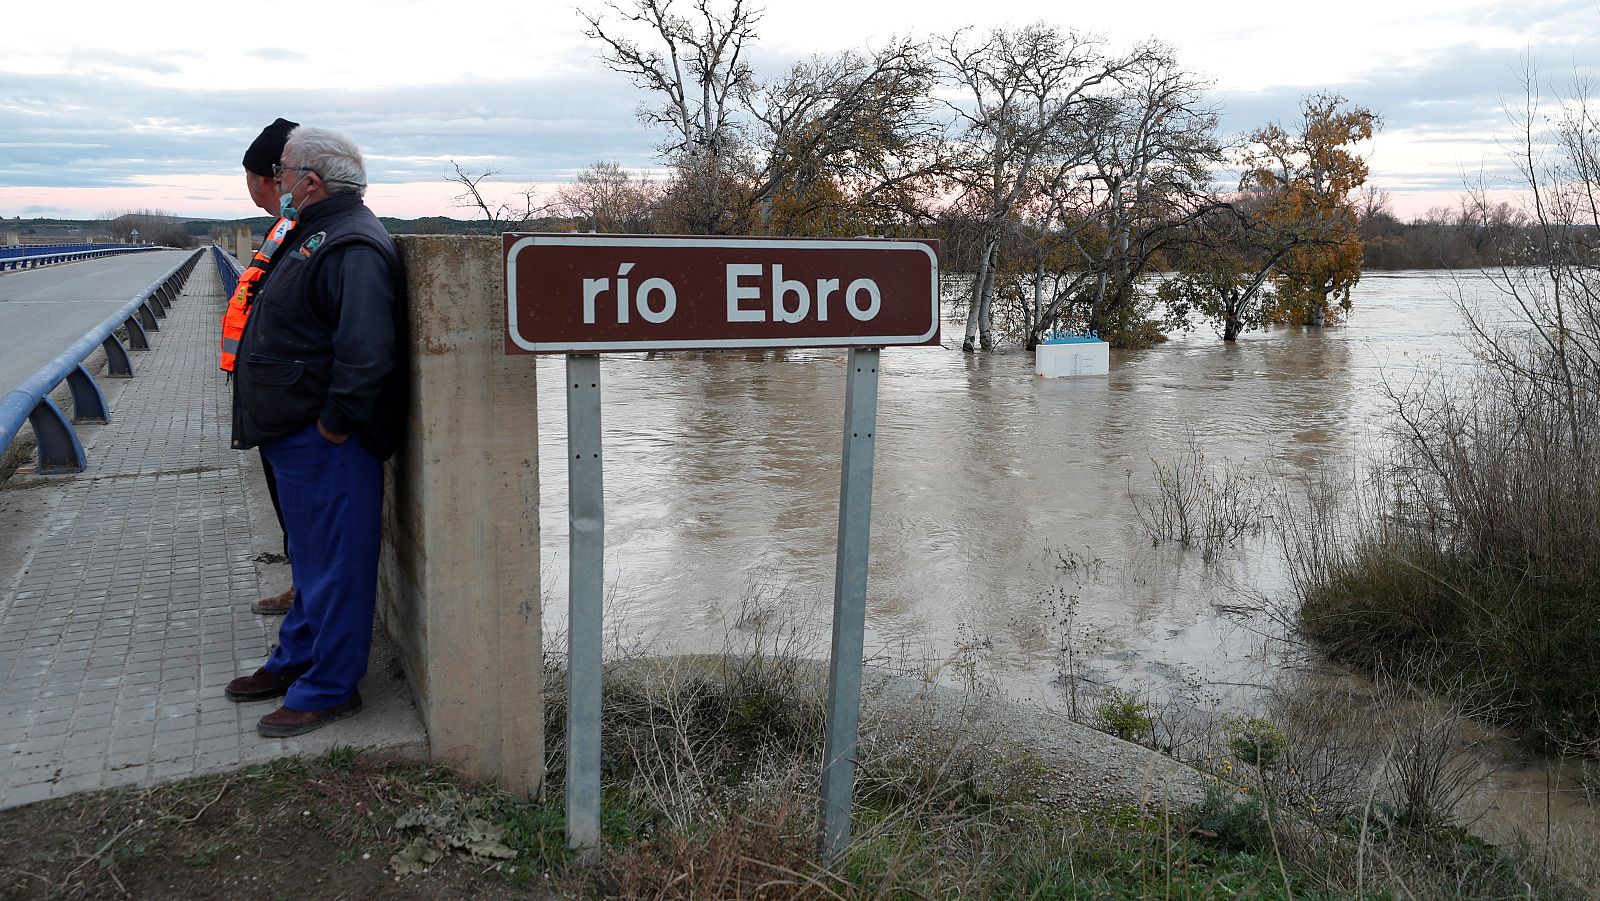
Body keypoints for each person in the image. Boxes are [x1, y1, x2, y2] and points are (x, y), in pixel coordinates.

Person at [223, 125, 408, 737]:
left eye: (281, 173)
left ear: (310, 180)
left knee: (335, 565)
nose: (275, 184)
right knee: (310, 560)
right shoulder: (315, 232)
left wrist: (331, 428)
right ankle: (297, 659)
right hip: (293, 433)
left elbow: (366, 352)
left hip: (325, 441)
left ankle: (332, 688)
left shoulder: (351, 243)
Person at [226, 117, 300, 617]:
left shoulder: (300, 229)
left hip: (292, 403)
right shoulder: (285, 228)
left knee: (301, 510)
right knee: (288, 507)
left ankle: (305, 598)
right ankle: (300, 588)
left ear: (263, 179)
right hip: (271, 397)